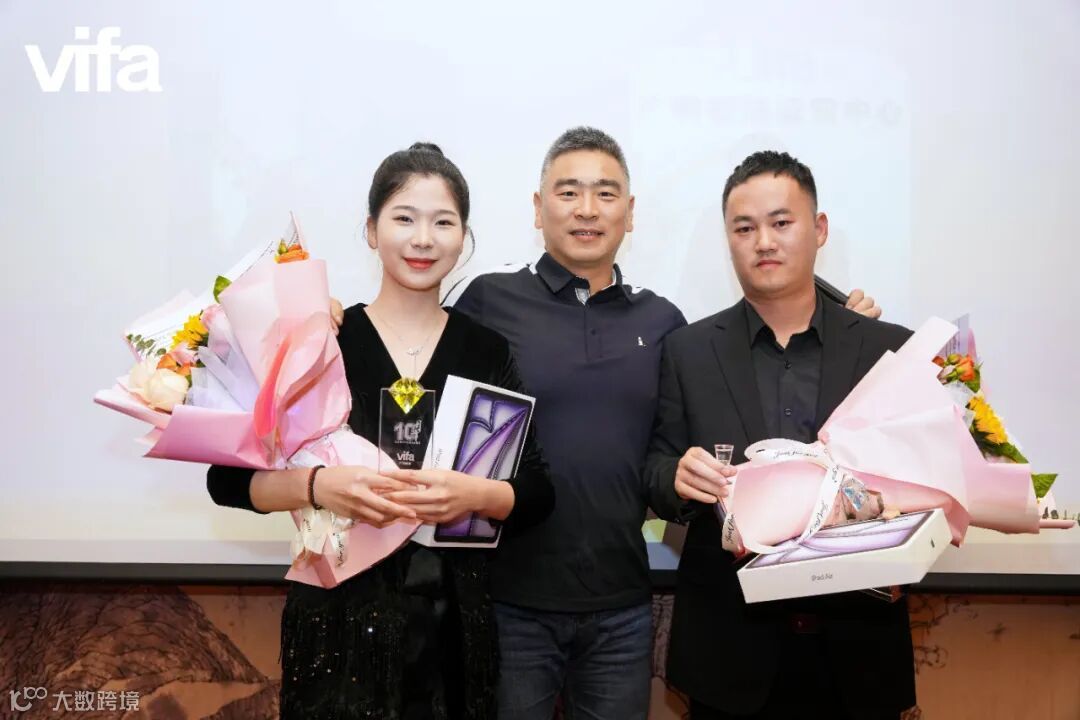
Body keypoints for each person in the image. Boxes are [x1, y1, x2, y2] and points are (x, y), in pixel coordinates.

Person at [442, 128, 883, 720]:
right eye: (568, 192)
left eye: (605, 194)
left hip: (623, 606)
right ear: (538, 208)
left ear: (630, 214)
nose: (587, 209)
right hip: (510, 601)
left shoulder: (666, 324)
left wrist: (847, 328)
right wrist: (344, 318)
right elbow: (419, 361)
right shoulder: (486, 300)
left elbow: (666, 454)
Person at [207, 142, 554, 720]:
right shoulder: (323, 340)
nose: (423, 239)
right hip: (338, 624)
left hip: (454, 629)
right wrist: (318, 486)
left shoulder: (486, 349)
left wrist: (476, 495)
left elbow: (538, 491)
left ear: (464, 238)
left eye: (443, 222)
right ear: (371, 231)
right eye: (404, 219)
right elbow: (226, 481)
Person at [644, 150, 916, 719]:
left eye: (781, 222)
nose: (763, 242)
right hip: (729, 651)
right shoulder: (689, 351)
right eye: (744, 228)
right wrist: (676, 476)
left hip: (859, 648)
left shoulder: (887, 348)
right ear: (729, 241)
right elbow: (655, 468)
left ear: (819, 230)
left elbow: (923, 479)